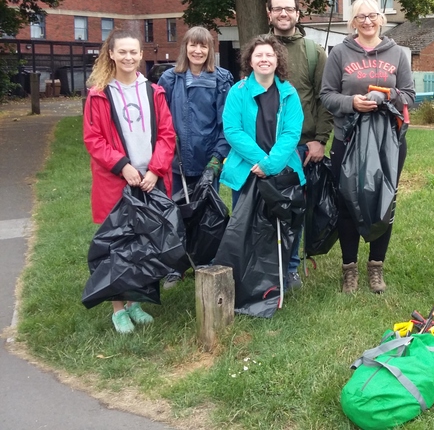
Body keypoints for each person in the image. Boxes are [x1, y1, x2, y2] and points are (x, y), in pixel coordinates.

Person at [320, 0, 415, 294]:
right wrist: (352, 103)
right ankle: (349, 269)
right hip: (347, 140)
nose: (367, 21)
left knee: (383, 202)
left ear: (381, 19)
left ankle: (376, 267)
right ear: (353, 22)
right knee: (348, 201)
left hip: (388, 142)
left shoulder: (398, 53)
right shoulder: (339, 54)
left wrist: (387, 96)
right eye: (361, 17)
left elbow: (409, 95)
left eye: (372, 15)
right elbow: (326, 95)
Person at [83, 27, 176, 333]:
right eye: (122, 51)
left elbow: (166, 135)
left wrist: (155, 170)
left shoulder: (154, 91)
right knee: (116, 245)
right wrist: (122, 166)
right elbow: (93, 139)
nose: (128, 57)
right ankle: (118, 309)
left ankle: (135, 302)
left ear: (141, 55)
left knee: (143, 244)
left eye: (133, 52)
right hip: (117, 180)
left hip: (149, 179)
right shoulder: (99, 94)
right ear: (110, 53)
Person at [267, 0, 334, 291]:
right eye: (277, 8)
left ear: (297, 14)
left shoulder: (313, 52)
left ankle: (291, 268)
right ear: (269, 13)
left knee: (294, 212)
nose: (283, 14)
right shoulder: (260, 49)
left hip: (301, 148)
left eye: (289, 9)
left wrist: (320, 139)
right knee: (265, 212)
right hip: (264, 147)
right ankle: (267, 267)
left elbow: (325, 99)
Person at [158, 26, 234, 289]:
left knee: (206, 216)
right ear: (185, 47)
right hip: (176, 162)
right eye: (193, 45)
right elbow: (161, 120)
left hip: (208, 163)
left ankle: (204, 260)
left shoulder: (222, 79)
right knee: (175, 214)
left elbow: (227, 124)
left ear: (210, 49)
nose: (198, 51)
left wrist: (216, 161)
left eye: (203, 46)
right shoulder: (169, 79)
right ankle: (175, 266)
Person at [220, 34, 305, 208]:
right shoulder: (237, 92)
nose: (264, 59)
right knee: (245, 232)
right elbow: (232, 131)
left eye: (269, 55)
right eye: (258, 55)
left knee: (284, 230)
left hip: (283, 169)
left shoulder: (289, 93)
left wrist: (270, 165)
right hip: (247, 171)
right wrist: (262, 162)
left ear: (277, 60)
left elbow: (291, 133)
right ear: (250, 62)